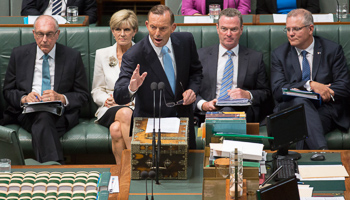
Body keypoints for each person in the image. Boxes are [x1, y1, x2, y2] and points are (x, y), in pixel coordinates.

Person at [2, 15, 89, 164]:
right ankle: (55, 168)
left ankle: (51, 170)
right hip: (27, 112)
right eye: (40, 34)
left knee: (42, 119)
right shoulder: (19, 54)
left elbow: (84, 95)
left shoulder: (72, 56)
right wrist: (24, 98)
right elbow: (8, 91)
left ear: (57, 34)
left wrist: (61, 98)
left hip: (61, 114)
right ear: (34, 34)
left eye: (49, 34)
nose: (44, 39)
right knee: (42, 117)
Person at [114, 5, 203, 149]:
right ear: (147, 25)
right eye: (153, 27)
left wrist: (192, 90)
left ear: (173, 27)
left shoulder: (186, 41)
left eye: (163, 28)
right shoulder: (134, 55)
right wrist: (132, 87)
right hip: (150, 127)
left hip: (183, 121)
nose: (157, 33)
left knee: (187, 169)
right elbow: (118, 95)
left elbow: (196, 72)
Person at [271, 9, 350, 150]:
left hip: (325, 109)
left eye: (296, 29)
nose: (290, 34)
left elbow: (344, 86)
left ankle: (305, 165)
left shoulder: (332, 50)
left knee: (304, 123)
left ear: (310, 28)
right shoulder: (279, 54)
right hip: (290, 109)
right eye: (288, 29)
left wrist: (324, 92)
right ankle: (322, 153)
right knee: (301, 101)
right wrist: (310, 85)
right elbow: (278, 90)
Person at [195, 8, 271, 123]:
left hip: (242, 114)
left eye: (234, 29)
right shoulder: (201, 56)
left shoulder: (255, 58)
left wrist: (248, 94)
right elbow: (190, 90)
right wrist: (204, 104)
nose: (228, 34)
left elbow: (265, 93)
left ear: (241, 29)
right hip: (208, 114)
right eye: (224, 29)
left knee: (228, 110)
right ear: (217, 29)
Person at [91, 9, 137, 165]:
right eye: (118, 29)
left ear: (134, 31)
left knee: (116, 129)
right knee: (124, 113)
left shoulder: (143, 54)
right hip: (109, 108)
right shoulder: (102, 54)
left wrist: (128, 102)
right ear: (112, 31)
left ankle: (121, 172)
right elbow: (97, 90)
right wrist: (107, 100)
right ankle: (136, 165)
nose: (122, 34)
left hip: (135, 106)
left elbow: (146, 89)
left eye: (127, 29)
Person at [21, 0, 97, 24]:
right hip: (42, 25)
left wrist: (76, 23)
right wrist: (46, 20)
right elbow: (26, 9)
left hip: (70, 27)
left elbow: (92, 14)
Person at [182, 0, 251, 15]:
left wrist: (227, 17)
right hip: (203, 26)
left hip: (230, 26)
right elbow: (186, 9)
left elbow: (244, 8)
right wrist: (203, 18)